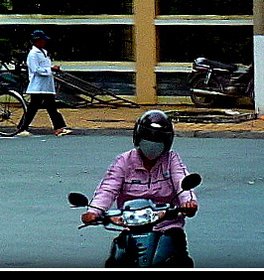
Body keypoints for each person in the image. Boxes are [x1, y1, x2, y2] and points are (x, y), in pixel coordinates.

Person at [82, 109, 198, 267]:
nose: (153, 143)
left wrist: (189, 203)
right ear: (138, 137)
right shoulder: (124, 161)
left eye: (159, 139)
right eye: (148, 138)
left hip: (166, 226)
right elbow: (108, 188)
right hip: (132, 226)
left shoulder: (171, 159)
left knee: (180, 259)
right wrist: (94, 211)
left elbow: (181, 180)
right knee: (115, 260)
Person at [14, 29, 71, 136]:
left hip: (46, 85)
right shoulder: (33, 54)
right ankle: (22, 127)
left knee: (51, 107)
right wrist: (50, 70)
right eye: (42, 40)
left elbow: (45, 66)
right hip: (37, 86)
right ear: (37, 41)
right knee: (34, 108)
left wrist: (51, 68)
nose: (44, 42)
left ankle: (59, 127)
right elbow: (36, 69)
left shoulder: (43, 52)